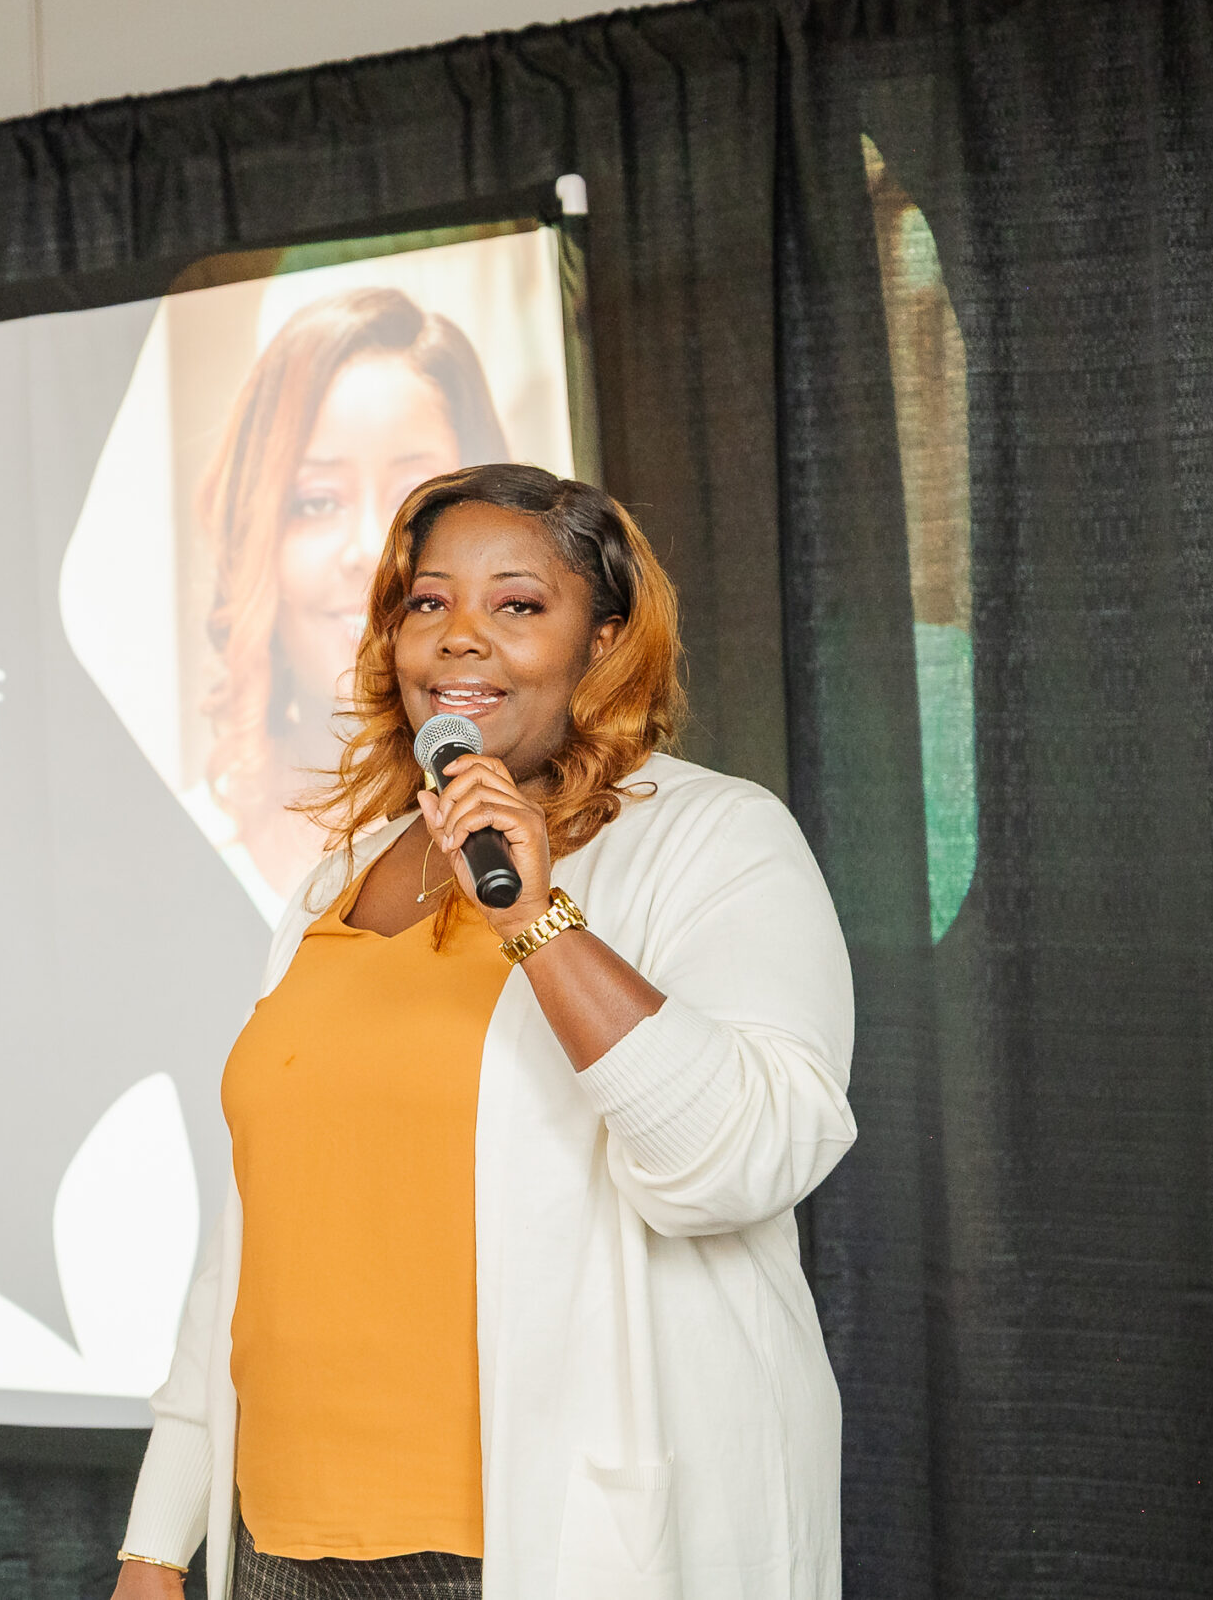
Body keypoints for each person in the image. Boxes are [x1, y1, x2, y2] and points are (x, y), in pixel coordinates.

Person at [113, 464, 858, 1599]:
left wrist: (534, 920)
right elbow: (252, 1235)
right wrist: (159, 1537)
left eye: (517, 603)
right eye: (429, 602)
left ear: (602, 642)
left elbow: (740, 1162)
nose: (461, 636)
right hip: (283, 1545)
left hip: (535, 1547)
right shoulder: (339, 875)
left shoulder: (717, 838)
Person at [188, 288, 516, 920]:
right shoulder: (174, 846)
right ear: (255, 543)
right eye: (316, 501)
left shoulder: (563, 844)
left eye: (413, 502)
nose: (368, 548)